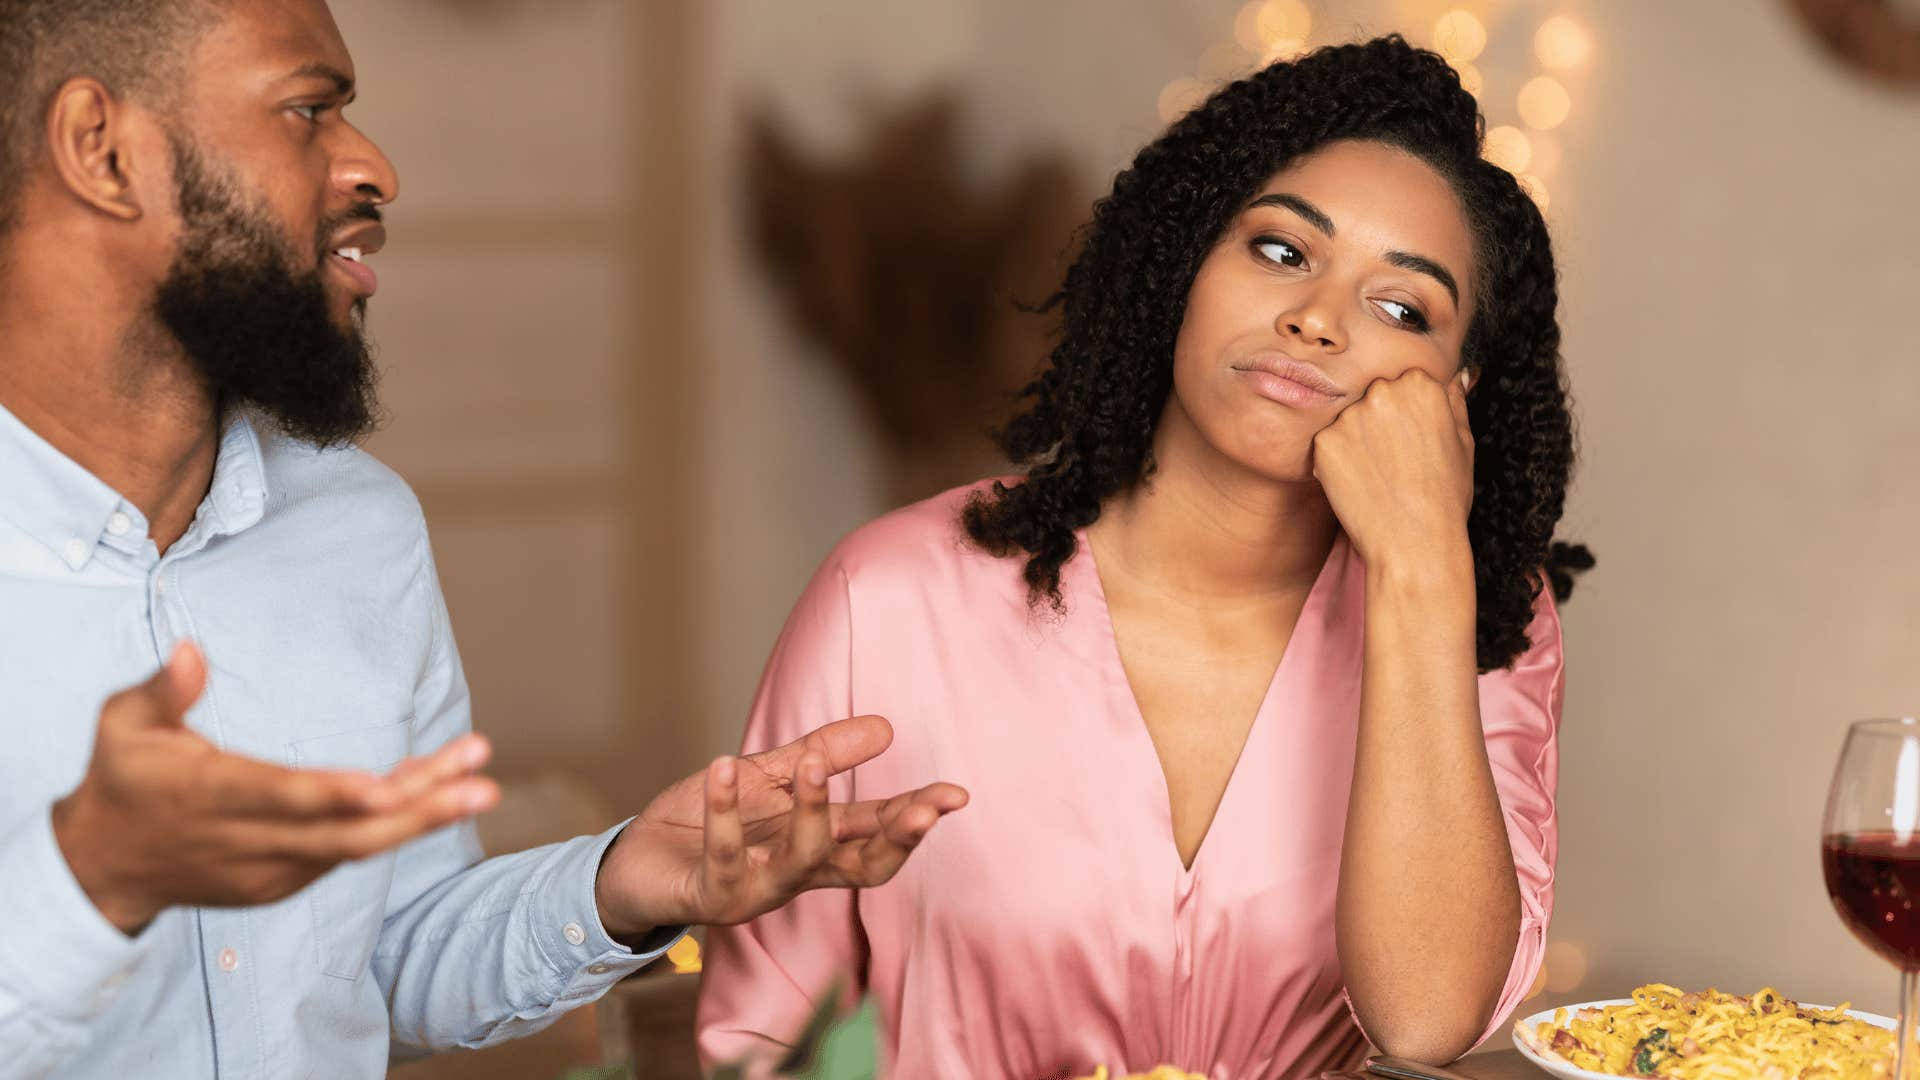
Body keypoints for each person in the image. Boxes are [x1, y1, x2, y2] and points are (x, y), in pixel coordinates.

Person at [0, 1, 968, 1076]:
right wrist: (91, 883)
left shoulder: (357, 527)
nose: (375, 170)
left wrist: (624, 886)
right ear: (102, 150)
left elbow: (386, 960)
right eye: (308, 110)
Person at [698, 35, 1593, 1078]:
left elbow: (1428, 1016)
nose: (1315, 321)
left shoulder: (1479, 621)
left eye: (1401, 307)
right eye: (1280, 251)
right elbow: (761, 1042)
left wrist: (1423, 570)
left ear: (1459, 387)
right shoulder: (888, 598)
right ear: (1186, 260)